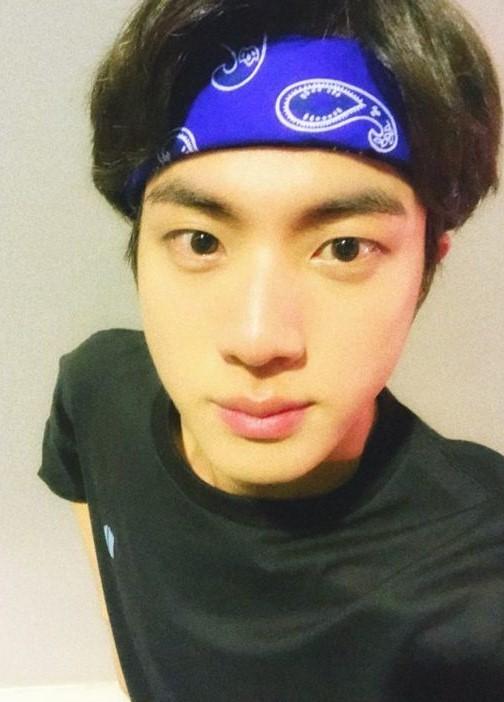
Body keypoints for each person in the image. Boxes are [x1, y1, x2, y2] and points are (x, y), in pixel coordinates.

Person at [38, 0, 504, 700]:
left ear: (426, 268)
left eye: (344, 248)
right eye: (201, 241)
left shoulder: (480, 585)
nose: (257, 340)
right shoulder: (97, 392)